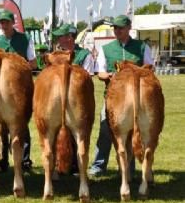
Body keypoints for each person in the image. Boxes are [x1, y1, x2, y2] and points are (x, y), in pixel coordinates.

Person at [88, 15, 154, 177]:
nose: (117, 31)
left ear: (129, 28)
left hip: (137, 98)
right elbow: (100, 73)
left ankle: (129, 168)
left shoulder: (141, 47)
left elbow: (149, 70)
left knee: (135, 130)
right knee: (105, 128)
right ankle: (99, 165)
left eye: (121, 28)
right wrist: (111, 75)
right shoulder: (107, 48)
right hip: (113, 98)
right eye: (115, 28)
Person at [0, 10, 37, 173]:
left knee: (22, 123)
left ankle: (24, 161)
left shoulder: (25, 39)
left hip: (20, 88)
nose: (4, 25)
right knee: (0, 123)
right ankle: (1, 161)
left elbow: (33, 63)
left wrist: (17, 67)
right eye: (2, 22)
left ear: (13, 23)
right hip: (0, 89)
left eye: (7, 22)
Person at [52, 23, 95, 175]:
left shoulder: (85, 55)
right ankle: (59, 164)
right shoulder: (55, 56)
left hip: (77, 100)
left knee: (78, 132)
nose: (58, 40)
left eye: (61, 37)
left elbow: (88, 79)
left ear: (70, 38)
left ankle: (76, 165)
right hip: (57, 99)